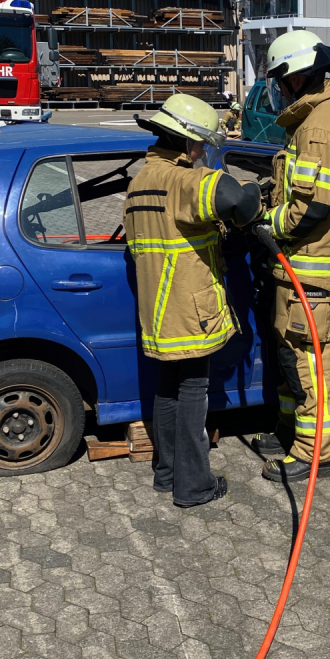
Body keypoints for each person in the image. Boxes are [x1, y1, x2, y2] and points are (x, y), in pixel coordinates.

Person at [125, 94, 261, 507]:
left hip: (158, 308)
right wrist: (256, 192)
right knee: (193, 393)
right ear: (187, 143)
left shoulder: (140, 182)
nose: (203, 152)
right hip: (190, 309)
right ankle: (194, 486)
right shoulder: (180, 180)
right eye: (201, 144)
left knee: (169, 389)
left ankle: (166, 474)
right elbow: (235, 198)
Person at [251, 30, 330, 483]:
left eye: (282, 78)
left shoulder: (317, 128)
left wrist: (266, 226)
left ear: (300, 76)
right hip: (303, 266)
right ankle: (287, 432)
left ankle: (315, 453)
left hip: (311, 267)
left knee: (308, 363)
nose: (279, 88)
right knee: (289, 356)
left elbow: (312, 207)